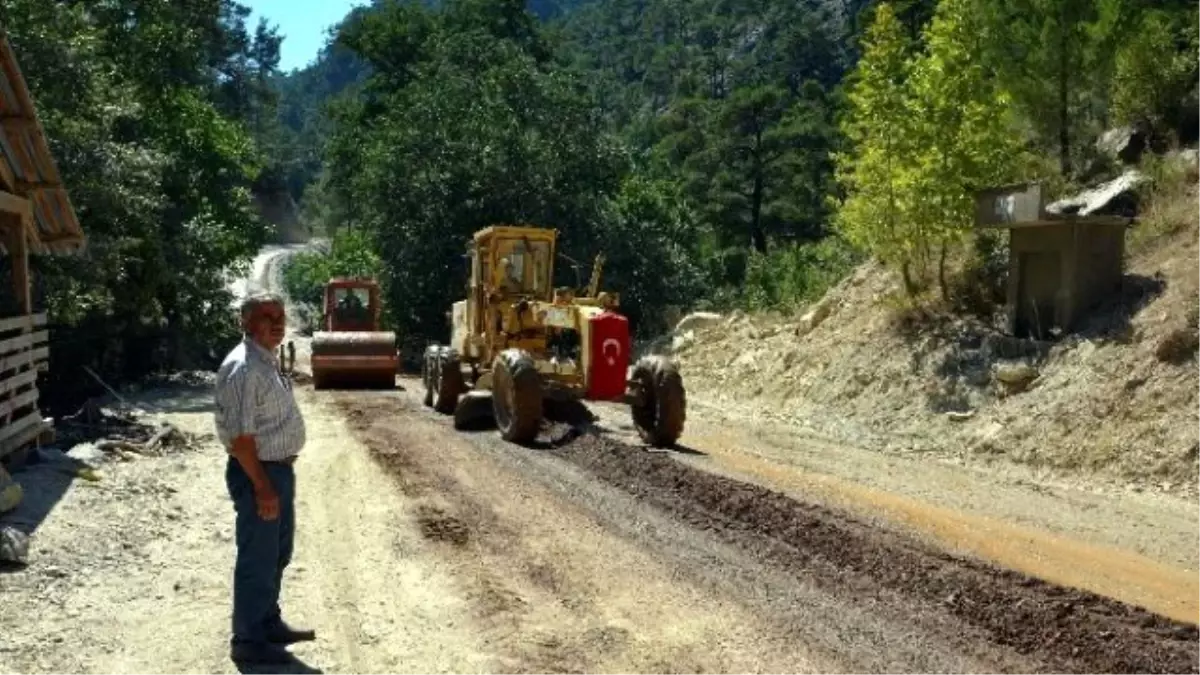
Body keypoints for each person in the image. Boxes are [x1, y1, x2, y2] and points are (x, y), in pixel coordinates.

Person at [214, 292, 313, 665]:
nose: (277, 322)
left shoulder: (264, 360)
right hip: (259, 472)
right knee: (258, 557)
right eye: (266, 316)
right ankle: (249, 641)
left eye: (280, 315)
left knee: (277, 553)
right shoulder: (244, 368)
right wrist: (262, 486)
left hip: (277, 470)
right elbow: (241, 441)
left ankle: (267, 623)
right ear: (246, 322)